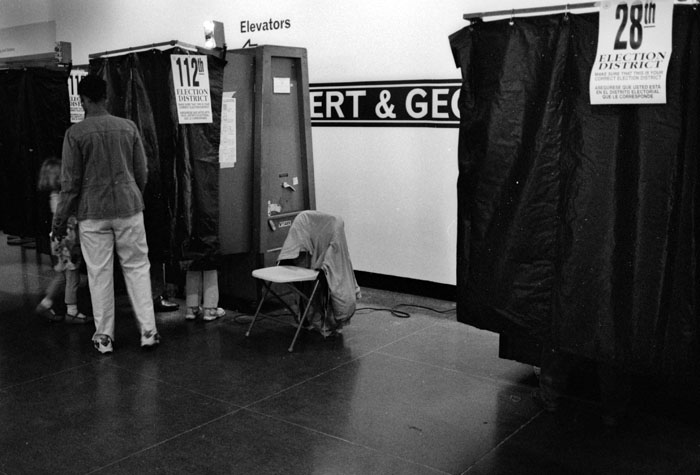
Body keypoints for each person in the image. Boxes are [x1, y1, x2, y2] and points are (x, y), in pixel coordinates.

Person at [52, 74, 160, 354]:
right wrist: (133, 193)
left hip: (93, 212)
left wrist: (59, 220)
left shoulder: (74, 134)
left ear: (83, 100)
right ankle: (148, 331)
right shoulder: (128, 127)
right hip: (129, 207)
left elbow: (70, 184)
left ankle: (104, 338)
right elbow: (142, 172)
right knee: (137, 268)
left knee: (99, 274)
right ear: (106, 96)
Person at [35, 157, 90, 324]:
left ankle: (46, 303)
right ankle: (71, 311)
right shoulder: (61, 198)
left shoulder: (53, 196)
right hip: (69, 241)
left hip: (59, 241)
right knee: (72, 275)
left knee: (62, 275)